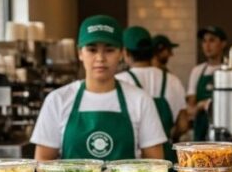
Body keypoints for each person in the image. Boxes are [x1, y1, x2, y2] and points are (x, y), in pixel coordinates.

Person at [32, 15, 166, 162]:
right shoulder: (57, 99)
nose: (100, 58)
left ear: (121, 53)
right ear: (80, 53)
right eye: (92, 49)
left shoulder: (140, 99)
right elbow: (42, 161)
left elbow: (155, 161)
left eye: (109, 50)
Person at [117, 26, 187, 163]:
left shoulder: (120, 81)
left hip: (133, 162)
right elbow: (183, 125)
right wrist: (171, 136)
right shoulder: (172, 80)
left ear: (125, 53)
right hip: (167, 159)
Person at [186, 25, 227, 141]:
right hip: (201, 130)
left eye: (212, 40)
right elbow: (191, 106)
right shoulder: (197, 71)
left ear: (223, 43)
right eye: (204, 41)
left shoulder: (231, 69)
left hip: (225, 130)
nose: (207, 45)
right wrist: (199, 106)